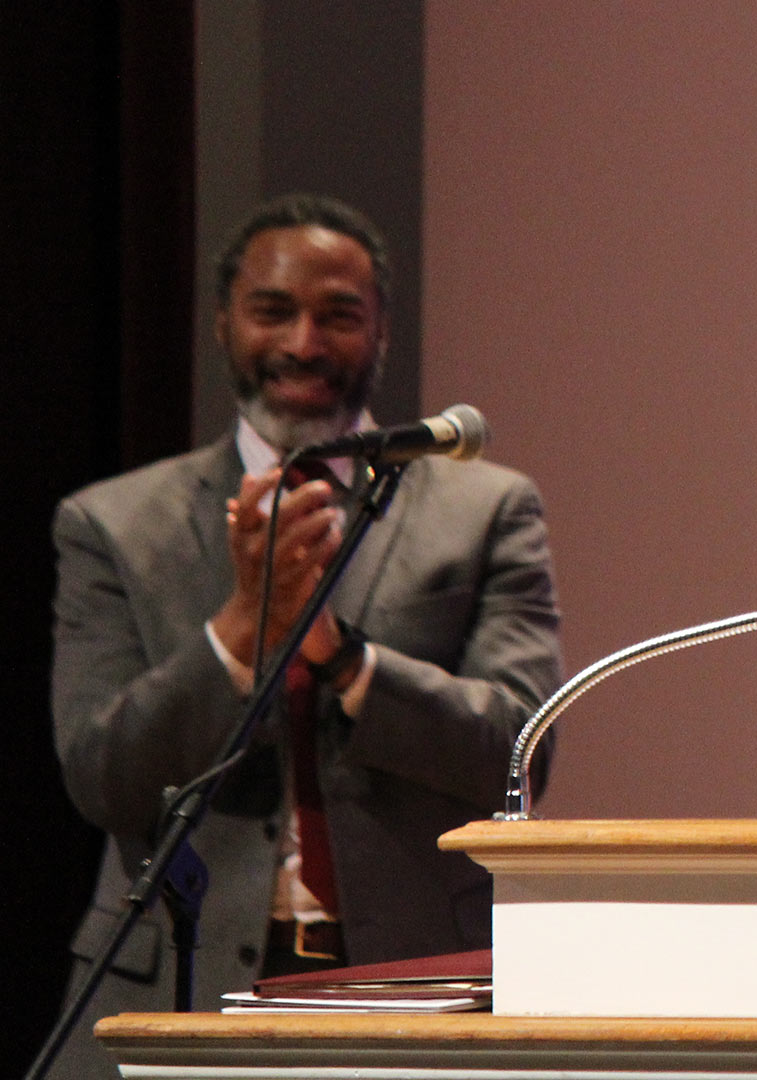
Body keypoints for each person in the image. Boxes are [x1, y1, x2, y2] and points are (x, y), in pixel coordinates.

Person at [48, 195, 561, 1078]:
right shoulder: (113, 524)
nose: (303, 344)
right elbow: (103, 775)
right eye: (273, 311)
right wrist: (244, 627)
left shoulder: (485, 510)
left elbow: (519, 754)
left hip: (412, 990)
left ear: (384, 333)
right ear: (223, 323)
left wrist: (340, 654)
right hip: (172, 986)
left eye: (339, 316)